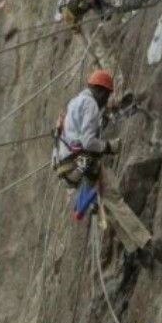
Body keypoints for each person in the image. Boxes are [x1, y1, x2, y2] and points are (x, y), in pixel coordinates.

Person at [52, 69, 153, 256]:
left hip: (67, 168)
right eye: (106, 96)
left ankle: (135, 251)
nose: (105, 101)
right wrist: (109, 147)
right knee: (114, 199)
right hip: (80, 162)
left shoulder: (74, 103)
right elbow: (88, 142)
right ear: (100, 91)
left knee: (108, 201)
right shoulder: (90, 103)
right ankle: (147, 244)